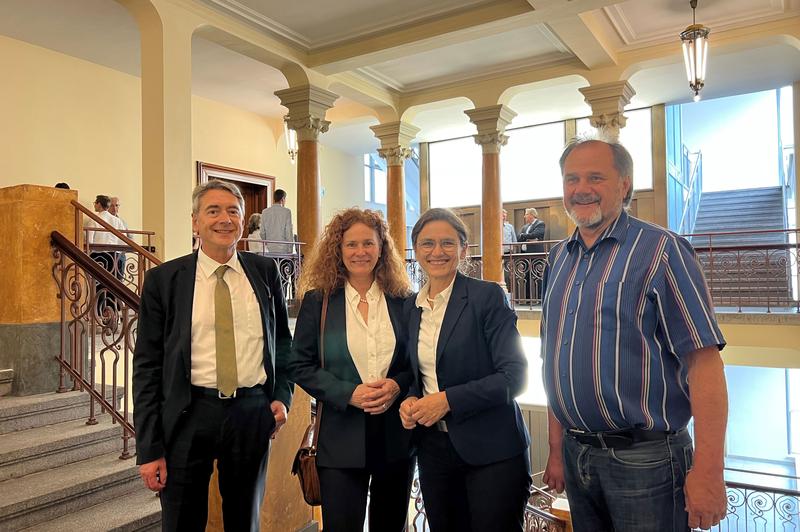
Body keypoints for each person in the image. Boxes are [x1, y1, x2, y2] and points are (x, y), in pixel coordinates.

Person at [541, 135, 728, 532]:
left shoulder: (662, 249)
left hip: (647, 461)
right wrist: (556, 450)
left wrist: (710, 471)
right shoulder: (558, 258)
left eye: (596, 177)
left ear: (624, 184)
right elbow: (553, 358)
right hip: (578, 456)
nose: (581, 189)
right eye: (571, 179)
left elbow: (704, 362)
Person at [133, 180, 294, 532]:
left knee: (244, 520)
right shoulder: (164, 280)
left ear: (242, 219)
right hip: (188, 414)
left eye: (233, 211)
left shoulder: (265, 273)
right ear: (195, 222)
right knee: (181, 521)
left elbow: (282, 342)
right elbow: (146, 367)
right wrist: (149, 448)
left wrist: (283, 396)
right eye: (213, 210)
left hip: (251, 413)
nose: (225, 219)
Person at [399, 208, 531, 532]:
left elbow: (515, 376)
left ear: (464, 249)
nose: (437, 252)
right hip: (433, 451)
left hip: (492, 451)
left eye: (447, 243)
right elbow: (418, 376)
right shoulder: (410, 308)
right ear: (416, 251)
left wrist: (448, 401)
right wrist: (409, 399)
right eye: (427, 244)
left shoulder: (487, 297)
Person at [288, 208, 414, 532]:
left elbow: (417, 363)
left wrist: (398, 386)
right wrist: (349, 393)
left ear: (382, 248)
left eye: (369, 244)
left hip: (396, 439)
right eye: (351, 245)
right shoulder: (319, 301)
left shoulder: (403, 300)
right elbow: (299, 364)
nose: (360, 252)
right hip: (340, 442)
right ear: (338, 249)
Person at [86, 194, 126, 314]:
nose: (94, 205)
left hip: (99, 256)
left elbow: (89, 241)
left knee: (99, 286)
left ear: (99, 204)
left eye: (95, 203)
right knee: (113, 286)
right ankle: (113, 314)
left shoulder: (94, 219)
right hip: (114, 256)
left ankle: (100, 315)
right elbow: (123, 239)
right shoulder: (117, 221)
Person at [517, 208, 546, 302]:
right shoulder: (525, 227)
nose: (525, 216)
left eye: (526, 214)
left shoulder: (540, 224)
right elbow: (519, 238)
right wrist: (528, 237)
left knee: (537, 276)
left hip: (536, 254)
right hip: (525, 254)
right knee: (527, 276)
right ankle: (528, 299)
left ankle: (539, 298)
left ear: (531, 215)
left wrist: (524, 236)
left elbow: (537, 233)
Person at [260, 189, 294, 254]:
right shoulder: (286, 212)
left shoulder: (265, 212)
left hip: (269, 248)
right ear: (283, 199)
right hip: (283, 248)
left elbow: (262, 232)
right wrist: (290, 250)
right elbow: (288, 232)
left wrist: (267, 242)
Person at [109, 196, 129, 280]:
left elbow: (129, 237)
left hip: (120, 254)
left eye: (116, 205)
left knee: (119, 280)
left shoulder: (122, 221)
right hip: (108, 254)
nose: (114, 208)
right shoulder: (103, 219)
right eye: (112, 205)